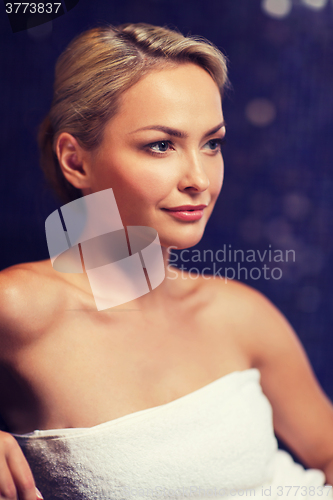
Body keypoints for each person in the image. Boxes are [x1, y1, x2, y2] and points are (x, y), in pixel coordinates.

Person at [0, 22, 332, 500]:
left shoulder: (240, 312)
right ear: (76, 161)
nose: (199, 177)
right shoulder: (23, 308)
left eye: (212, 143)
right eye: (161, 145)